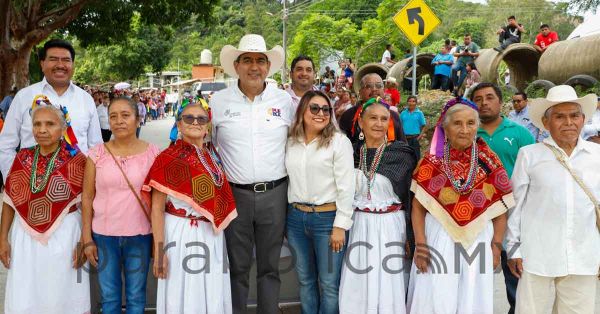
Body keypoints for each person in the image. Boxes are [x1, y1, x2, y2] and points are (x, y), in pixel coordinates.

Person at [211, 34, 293, 314]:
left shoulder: (284, 101)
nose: (254, 67)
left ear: (268, 67)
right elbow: (207, 147)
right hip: (235, 196)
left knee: (270, 267)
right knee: (237, 266)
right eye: (247, 60)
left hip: (275, 193)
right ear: (236, 65)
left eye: (260, 60)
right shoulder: (219, 101)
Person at [407, 98, 512, 314]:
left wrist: (496, 247)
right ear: (445, 127)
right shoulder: (432, 161)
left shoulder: (489, 160)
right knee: (435, 294)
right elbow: (418, 208)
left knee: (473, 297)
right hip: (437, 237)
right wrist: (421, 245)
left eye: (471, 123)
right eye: (457, 123)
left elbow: (500, 209)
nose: (464, 130)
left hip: (479, 240)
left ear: (477, 126)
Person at [507, 85, 600, 314]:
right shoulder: (530, 155)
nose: (569, 122)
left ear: (583, 119)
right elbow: (515, 206)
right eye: (560, 116)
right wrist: (513, 249)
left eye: (574, 115)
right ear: (546, 123)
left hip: (583, 253)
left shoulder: (597, 156)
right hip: (536, 254)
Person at [143, 101, 237, 314]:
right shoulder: (167, 158)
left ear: (207, 126)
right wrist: (159, 250)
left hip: (211, 234)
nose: (195, 122)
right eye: (189, 118)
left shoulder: (213, 156)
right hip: (179, 233)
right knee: (180, 289)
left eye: (201, 119)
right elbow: (157, 208)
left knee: (211, 288)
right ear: (179, 124)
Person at [0, 102, 90, 313]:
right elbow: (9, 200)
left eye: (50, 124)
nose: (42, 130)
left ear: (63, 128)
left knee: (63, 292)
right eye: (37, 124)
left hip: (66, 234)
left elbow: (88, 202)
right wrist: (3, 238)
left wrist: (84, 240)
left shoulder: (78, 160)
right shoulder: (22, 157)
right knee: (26, 292)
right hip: (25, 238)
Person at [339, 97, 417, 314]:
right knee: (358, 278)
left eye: (384, 119)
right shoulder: (349, 152)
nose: (379, 123)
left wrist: (412, 236)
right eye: (373, 118)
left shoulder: (401, 154)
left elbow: (411, 198)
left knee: (389, 277)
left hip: (391, 227)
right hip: (358, 226)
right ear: (361, 122)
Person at [81, 96, 159, 313]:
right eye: (113, 116)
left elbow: (159, 200)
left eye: (125, 115)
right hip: (104, 237)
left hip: (141, 235)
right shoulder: (96, 154)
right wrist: (87, 239)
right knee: (109, 297)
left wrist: (159, 239)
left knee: (136, 296)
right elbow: (86, 197)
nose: (119, 121)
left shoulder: (153, 153)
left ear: (138, 119)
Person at [286, 90, 354, 314]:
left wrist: (340, 226)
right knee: (305, 281)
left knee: (329, 285)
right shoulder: (291, 142)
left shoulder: (338, 142)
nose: (320, 113)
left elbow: (347, 186)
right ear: (302, 111)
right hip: (296, 219)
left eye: (325, 109)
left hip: (327, 220)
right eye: (314, 108)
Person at [470, 83, 535, 314]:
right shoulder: (467, 133)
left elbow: (534, 173)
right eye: (478, 99)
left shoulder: (519, 133)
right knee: (476, 267)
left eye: (489, 97)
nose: (484, 103)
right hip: (475, 212)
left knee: (514, 265)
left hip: (513, 211)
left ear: (500, 102)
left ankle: (517, 309)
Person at [0, 39, 102, 182]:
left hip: (77, 191)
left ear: (73, 65)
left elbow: (96, 148)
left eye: (66, 60)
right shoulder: (24, 97)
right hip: (31, 189)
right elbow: (5, 144)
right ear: (42, 64)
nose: (60, 65)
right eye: (53, 59)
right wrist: (14, 179)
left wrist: (91, 186)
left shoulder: (86, 99)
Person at [338, 73, 406, 144]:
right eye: (368, 86)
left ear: (384, 90)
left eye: (378, 85)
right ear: (360, 92)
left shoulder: (394, 115)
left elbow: (403, 146)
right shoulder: (348, 115)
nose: (374, 89)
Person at [400, 95, 427, 160]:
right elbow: (399, 125)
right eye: (409, 101)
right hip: (404, 139)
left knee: (416, 157)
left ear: (416, 103)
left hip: (415, 138)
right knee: (405, 157)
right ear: (407, 102)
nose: (411, 103)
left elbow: (424, 126)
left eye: (413, 101)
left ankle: (415, 169)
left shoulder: (419, 113)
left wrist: (419, 137)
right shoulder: (403, 113)